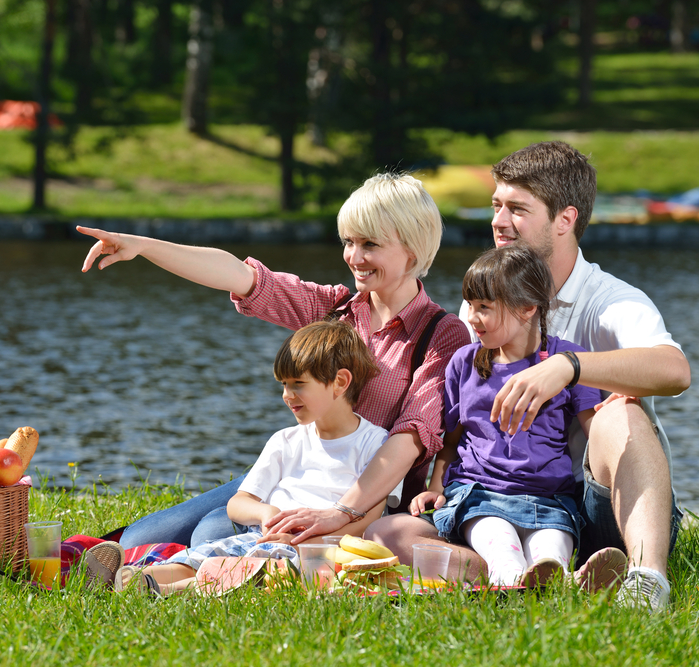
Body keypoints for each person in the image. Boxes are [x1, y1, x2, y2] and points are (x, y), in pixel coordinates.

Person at [77, 173, 472, 570]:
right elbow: (243, 277)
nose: (354, 256)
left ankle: (169, 576)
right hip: (298, 474)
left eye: (370, 244)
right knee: (137, 539)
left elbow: (409, 439)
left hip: (367, 498)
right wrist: (144, 246)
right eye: (349, 242)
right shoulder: (334, 310)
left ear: (412, 250)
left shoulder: (442, 334)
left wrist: (341, 513)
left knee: (211, 533)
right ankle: (142, 568)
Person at [369, 141, 689, 610]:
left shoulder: (613, 301)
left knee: (621, 410)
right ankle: (508, 573)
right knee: (393, 532)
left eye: (517, 208)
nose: (499, 221)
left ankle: (646, 579)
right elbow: (463, 417)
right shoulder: (485, 301)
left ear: (565, 220)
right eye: (496, 205)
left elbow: (675, 370)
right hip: (493, 498)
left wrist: (568, 366)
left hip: (600, 509)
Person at [107, 320, 403, 595]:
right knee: (198, 557)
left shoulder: (375, 443)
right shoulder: (285, 440)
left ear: (340, 382)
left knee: (251, 571)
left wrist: (305, 544)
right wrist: (265, 514)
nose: (287, 395)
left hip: (320, 552)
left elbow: (368, 521)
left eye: (298, 384)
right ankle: (125, 578)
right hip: (260, 538)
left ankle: (164, 590)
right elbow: (238, 503)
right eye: (283, 385)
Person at [408, 244, 607, 588]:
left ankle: (561, 581)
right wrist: (436, 486)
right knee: (501, 549)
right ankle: (539, 584)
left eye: (484, 308)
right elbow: (452, 438)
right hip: (481, 495)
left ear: (528, 308)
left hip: (550, 502)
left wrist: (618, 410)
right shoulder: (464, 363)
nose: (471, 317)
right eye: (471, 305)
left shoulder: (567, 361)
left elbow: (597, 430)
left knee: (550, 556)